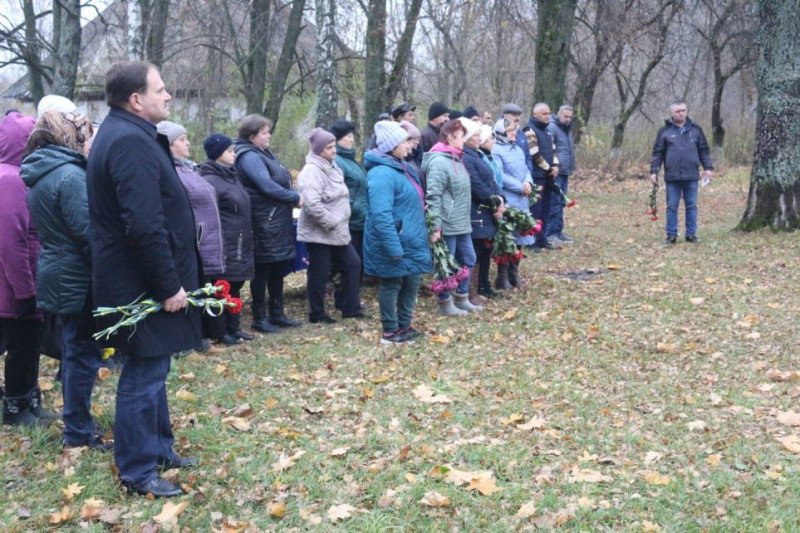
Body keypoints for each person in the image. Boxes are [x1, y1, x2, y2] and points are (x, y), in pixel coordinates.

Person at [86, 60, 201, 498]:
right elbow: (144, 226)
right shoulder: (128, 142)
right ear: (136, 99)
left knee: (156, 363)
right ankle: (137, 470)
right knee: (144, 371)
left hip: (140, 278)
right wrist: (167, 285)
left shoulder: (128, 134)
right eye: (161, 89)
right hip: (140, 283)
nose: (168, 95)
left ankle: (159, 448)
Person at [22, 110, 110, 448]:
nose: (88, 141)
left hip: (61, 270)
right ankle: (78, 431)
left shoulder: (45, 170)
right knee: (82, 353)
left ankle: (78, 425)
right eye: (84, 134)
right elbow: (88, 231)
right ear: (67, 136)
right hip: (76, 274)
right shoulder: (69, 175)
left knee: (77, 351)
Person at [0, 111, 56, 427]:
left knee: (29, 343)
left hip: (17, 281)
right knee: (22, 345)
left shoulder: (18, 175)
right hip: (14, 285)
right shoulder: (10, 180)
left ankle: (29, 398)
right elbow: (11, 241)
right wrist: (25, 291)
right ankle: (17, 406)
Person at [157, 120, 231, 346]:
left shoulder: (187, 168)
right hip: (191, 240)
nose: (188, 143)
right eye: (181, 139)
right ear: (168, 145)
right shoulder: (169, 171)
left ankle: (205, 332)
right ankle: (190, 336)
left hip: (206, 240)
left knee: (204, 287)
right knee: (190, 288)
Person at [364, 121, 431, 344]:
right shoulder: (381, 173)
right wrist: (394, 246)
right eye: (404, 142)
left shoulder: (400, 167)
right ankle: (390, 331)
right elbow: (381, 214)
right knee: (392, 284)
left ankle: (405, 325)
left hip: (410, 239)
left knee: (411, 282)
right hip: (395, 240)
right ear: (391, 145)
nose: (409, 147)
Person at [234, 115, 301, 331]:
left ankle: (277, 313)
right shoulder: (249, 157)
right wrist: (294, 197)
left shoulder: (263, 154)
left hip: (276, 219)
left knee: (277, 267)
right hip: (263, 220)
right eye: (265, 132)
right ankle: (259, 317)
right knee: (263, 268)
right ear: (252, 136)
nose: (269, 135)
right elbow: (266, 185)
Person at [297, 128, 364, 323]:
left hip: (339, 231)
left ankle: (349, 307)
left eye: (334, 146)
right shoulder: (311, 171)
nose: (334, 150)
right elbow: (312, 204)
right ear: (319, 150)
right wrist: (330, 221)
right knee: (319, 272)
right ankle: (316, 313)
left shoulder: (333, 166)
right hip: (320, 231)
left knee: (353, 264)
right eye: (329, 147)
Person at [197, 134, 255, 342]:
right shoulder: (210, 180)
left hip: (240, 238)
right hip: (224, 241)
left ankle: (234, 327)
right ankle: (219, 331)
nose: (234, 154)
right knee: (221, 286)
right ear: (217, 154)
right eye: (230, 151)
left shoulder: (232, 176)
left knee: (236, 285)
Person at [423, 119, 481, 315]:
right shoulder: (439, 162)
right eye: (460, 136)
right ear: (449, 137)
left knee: (470, 258)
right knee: (445, 265)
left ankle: (462, 297)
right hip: (447, 223)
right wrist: (435, 226)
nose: (463, 140)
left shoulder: (457, 158)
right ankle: (445, 303)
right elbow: (433, 195)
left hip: (461, 222)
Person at [649, 100, 713, 244]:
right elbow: (657, 153)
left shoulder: (696, 130)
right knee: (672, 206)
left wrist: (708, 168)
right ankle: (671, 235)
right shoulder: (664, 131)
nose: (681, 113)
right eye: (678, 111)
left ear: (687, 111)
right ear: (672, 113)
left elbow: (704, 150)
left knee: (691, 205)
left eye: (683, 110)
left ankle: (691, 234)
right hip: (672, 176)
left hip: (691, 175)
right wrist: (654, 171)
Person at [461, 121, 505, 303]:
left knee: (485, 250)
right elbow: (476, 184)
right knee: (476, 251)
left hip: (488, 210)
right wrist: (493, 200)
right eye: (476, 135)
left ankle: (483, 285)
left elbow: (492, 180)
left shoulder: (478, 155)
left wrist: (501, 198)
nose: (480, 138)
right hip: (476, 211)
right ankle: (472, 290)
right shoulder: (466, 157)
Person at [492, 117, 534, 289]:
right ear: (501, 132)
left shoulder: (517, 149)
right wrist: (519, 187)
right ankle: (502, 276)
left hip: (522, 199)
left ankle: (513, 273)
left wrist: (528, 183)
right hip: (509, 198)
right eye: (510, 131)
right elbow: (500, 175)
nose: (513, 134)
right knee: (507, 237)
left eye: (515, 131)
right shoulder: (496, 150)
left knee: (520, 236)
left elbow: (525, 169)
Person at [520, 103, 560, 251]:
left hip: (549, 176)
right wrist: (549, 168)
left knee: (546, 209)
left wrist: (555, 166)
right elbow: (534, 154)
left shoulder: (548, 131)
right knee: (536, 210)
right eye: (544, 114)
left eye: (548, 113)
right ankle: (532, 241)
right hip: (537, 176)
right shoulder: (529, 130)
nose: (547, 116)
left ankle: (543, 238)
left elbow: (554, 150)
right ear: (536, 114)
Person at [330, 120, 367, 266]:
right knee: (349, 265)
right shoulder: (337, 161)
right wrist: (359, 209)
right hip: (349, 221)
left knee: (357, 264)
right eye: (348, 136)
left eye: (352, 136)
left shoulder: (351, 160)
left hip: (360, 221)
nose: (352, 140)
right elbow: (340, 193)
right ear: (338, 139)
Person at [547, 105, 576, 244]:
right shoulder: (552, 128)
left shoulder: (567, 129)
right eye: (565, 116)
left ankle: (558, 231)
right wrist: (554, 166)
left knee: (561, 202)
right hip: (556, 171)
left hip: (565, 171)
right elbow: (550, 149)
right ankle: (550, 232)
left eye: (570, 117)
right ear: (559, 114)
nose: (568, 119)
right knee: (554, 202)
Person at [399, 120, 426, 193]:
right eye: (413, 139)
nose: (417, 142)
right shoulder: (403, 162)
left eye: (418, 138)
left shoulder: (416, 158)